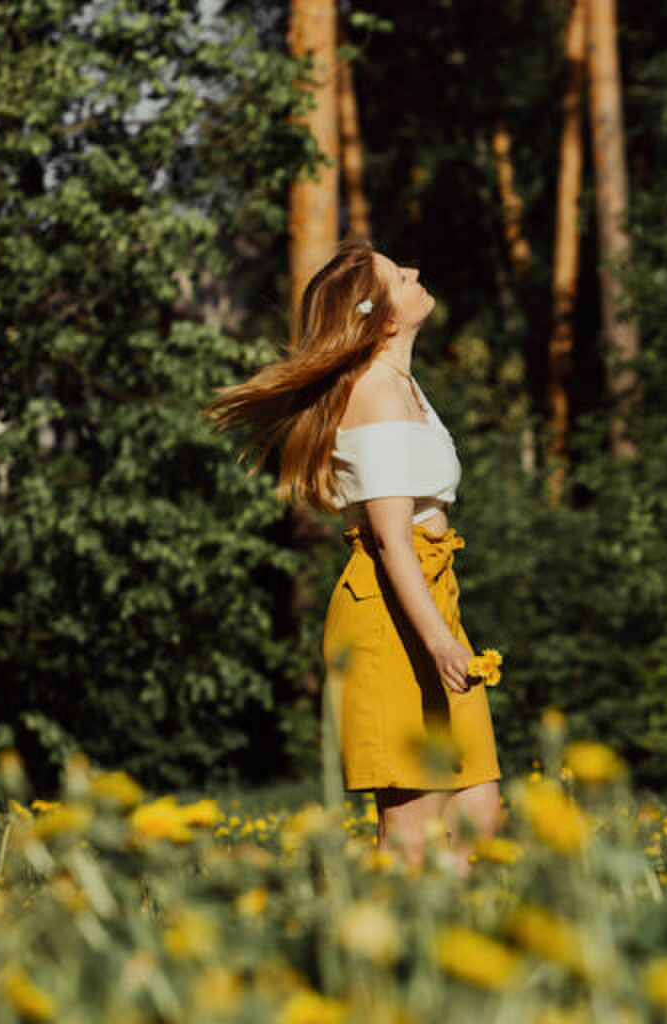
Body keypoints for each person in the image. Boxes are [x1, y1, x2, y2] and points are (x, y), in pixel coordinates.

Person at [204, 239, 502, 876]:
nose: (417, 271)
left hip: (429, 598)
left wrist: (444, 630)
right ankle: (367, 962)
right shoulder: (377, 395)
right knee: (413, 836)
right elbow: (393, 539)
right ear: (383, 317)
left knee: (479, 815)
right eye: (400, 274)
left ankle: (450, 956)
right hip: (393, 616)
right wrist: (439, 642)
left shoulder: (400, 383)